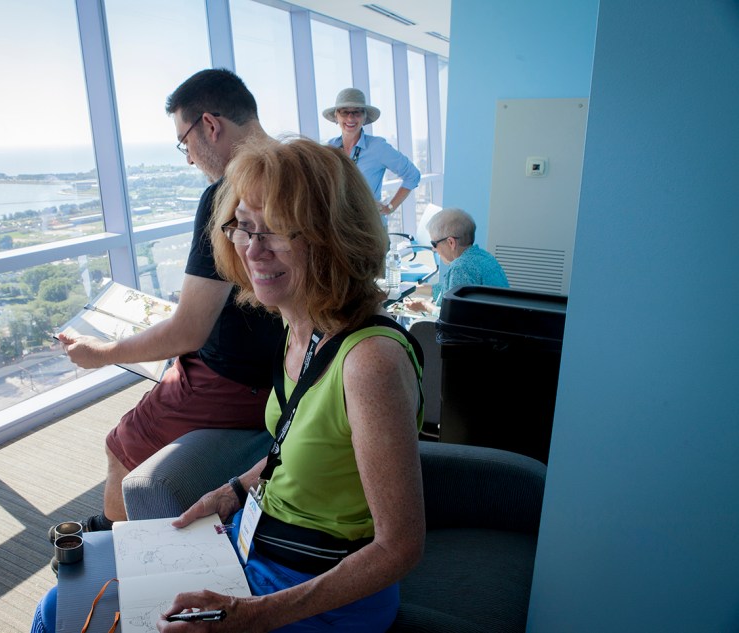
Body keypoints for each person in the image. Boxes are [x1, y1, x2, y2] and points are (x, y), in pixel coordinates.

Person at [157, 137, 425, 632]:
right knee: (67, 600)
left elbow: (400, 547)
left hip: (324, 589)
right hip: (264, 547)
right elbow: (304, 449)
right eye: (243, 226)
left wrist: (253, 616)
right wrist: (234, 489)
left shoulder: (370, 362)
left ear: (333, 237)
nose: (253, 249)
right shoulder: (301, 322)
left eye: (277, 229)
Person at [56, 69, 284, 532]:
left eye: (185, 142)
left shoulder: (228, 194)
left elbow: (189, 330)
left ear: (209, 125)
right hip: (290, 367)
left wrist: (101, 354)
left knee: (121, 442)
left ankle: (115, 541)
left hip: (237, 380)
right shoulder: (300, 172)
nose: (189, 159)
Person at [324, 88, 420, 218]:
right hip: (339, 224)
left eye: (357, 112)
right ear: (336, 116)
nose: (350, 117)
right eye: (344, 112)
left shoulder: (378, 147)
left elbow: (413, 175)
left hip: (370, 225)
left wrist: (390, 208)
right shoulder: (329, 149)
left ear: (364, 117)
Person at [405, 207, 509, 311]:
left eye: (434, 244)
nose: (433, 249)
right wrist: (415, 289)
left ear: (451, 242)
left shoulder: (460, 268)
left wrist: (424, 305)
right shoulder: (483, 256)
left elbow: (453, 315)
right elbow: (449, 289)